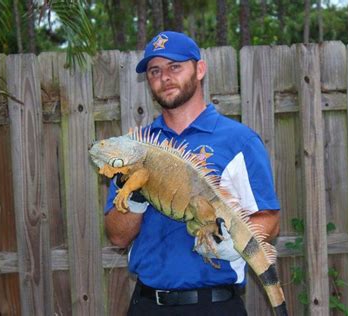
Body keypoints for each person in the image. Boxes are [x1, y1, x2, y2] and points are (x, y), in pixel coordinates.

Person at [104, 31, 280, 316]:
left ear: (199, 69)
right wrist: (136, 194)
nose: (165, 77)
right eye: (155, 70)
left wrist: (230, 242)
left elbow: (269, 218)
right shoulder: (136, 148)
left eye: (175, 66)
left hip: (215, 304)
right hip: (148, 304)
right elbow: (117, 237)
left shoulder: (239, 141)